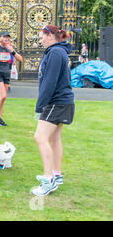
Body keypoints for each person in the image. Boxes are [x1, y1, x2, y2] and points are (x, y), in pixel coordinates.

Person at [31, 25, 74, 196]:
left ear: (50, 36)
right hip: (62, 101)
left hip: (56, 102)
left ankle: (48, 179)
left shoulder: (55, 52)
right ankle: (56, 175)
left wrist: (39, 106)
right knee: (54, 139)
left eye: (41, 38)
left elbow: (50, 82)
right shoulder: (57, 52)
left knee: (40, 137)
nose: (40, 41)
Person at [0, 31, 23, 127]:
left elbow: (20, 59)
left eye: (8, 37)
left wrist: (12, 51)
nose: (6, 39)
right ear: (0, 38)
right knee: (3, 96)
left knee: (3, 98)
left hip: (6, 72)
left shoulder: (9, 48)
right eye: (4, 37)